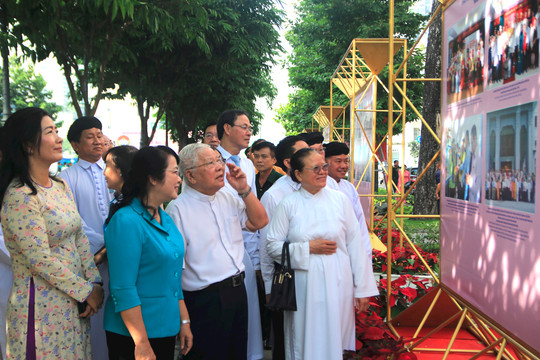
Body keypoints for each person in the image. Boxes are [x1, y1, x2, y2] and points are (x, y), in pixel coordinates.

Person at [0, 107, 104, 359]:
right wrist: (86, 291)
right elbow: (40, 259)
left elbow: (79, 236)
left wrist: (94, 282)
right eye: (50, 132)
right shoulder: (20, 195)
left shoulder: (60, 186)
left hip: (72, 303)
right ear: (27, 145)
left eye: (57, 131)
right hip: (41, 308)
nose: (59, 138)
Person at [266, 148, 378, 360]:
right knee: (304, 339)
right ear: (298, 174)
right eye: (315, 168)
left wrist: (362, 288)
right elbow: (272, 245)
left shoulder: (340, 200)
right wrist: (308, 248)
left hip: (338, 282)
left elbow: (356, 244)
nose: (322, 172)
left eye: (324, 167)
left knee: (334, 338)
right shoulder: (288, 204)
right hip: (303, 285)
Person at [166, 143, 268, 360]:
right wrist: (183, 320)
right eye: (210, 163)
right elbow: (173, 272)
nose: (220, 167)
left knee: (237, 353)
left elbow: (260, 221)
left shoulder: (227, 197)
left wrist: (243, 189)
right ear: (191, 176)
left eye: (219, 160)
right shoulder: (178, 210)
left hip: (237, 291)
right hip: (205, 300)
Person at [104, 146, 192, 359]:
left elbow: (172, 276)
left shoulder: (164, 217)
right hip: (134, 335)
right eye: (174, 172)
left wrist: (184, 321)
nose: (179, 179)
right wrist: (141, 342)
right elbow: (123, 287)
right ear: (153, 178)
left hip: (164, 328)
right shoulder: (126, 221)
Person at [60, 116, 114, 359]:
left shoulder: (114, 171)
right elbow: (73, 220)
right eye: (89, 137)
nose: (97, 140)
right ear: (75, 145)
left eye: (99, 134)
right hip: (89, 259)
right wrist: (102, 247)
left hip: (119, 254)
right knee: (95, 315)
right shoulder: (66, 178)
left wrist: (116, 243)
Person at [216, 109, 264, 360]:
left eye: (250, 128)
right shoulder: (209, 159)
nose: (249, 132)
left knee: (248, 314)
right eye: (243, 127)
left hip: (243, 247)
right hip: (215, 248)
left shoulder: (247, 164)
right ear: (226, 128)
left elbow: (251, 205)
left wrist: (254, 257)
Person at [259, 135, 308, 360]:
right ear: (289, 163)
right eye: (304, 153)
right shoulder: (274, 195)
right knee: (285, 339)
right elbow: (266, 245)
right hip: (285, 279)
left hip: (311, 275)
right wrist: (269, 286)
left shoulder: (311, 188)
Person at [324, 142, 371, 255]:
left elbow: (359, 221)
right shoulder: (320, 187)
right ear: (326, 162)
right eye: (338, 161)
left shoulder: (349, 187)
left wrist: (365, 251)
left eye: (346, 161)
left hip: (353, 251)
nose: (344, 166)